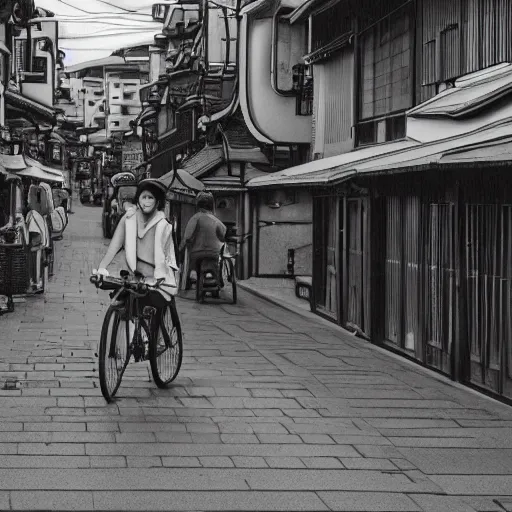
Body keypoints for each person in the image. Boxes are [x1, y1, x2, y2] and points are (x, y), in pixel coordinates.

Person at [93, 179, 178, 305]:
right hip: (132, 276)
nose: (146, 202)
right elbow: (114, 246)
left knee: (156, 309)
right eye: (144, 197)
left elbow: (169, 258)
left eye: (151, 198)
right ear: (138, 199)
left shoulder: (164, 225)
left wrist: (163, 278)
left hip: (157, 280)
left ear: (157, 201)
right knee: (121, 305)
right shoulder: (128, 218)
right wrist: (102, 267)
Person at [179, 191, 227, 286]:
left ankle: (193, 272)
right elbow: (223, 234)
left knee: (192, 256)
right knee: (216, 261)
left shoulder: (195, 218)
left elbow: (187, 236)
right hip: (213, 253)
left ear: (198, 205)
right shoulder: (216, 221)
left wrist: (180, 248)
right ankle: (214, 276)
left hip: (197, 253)